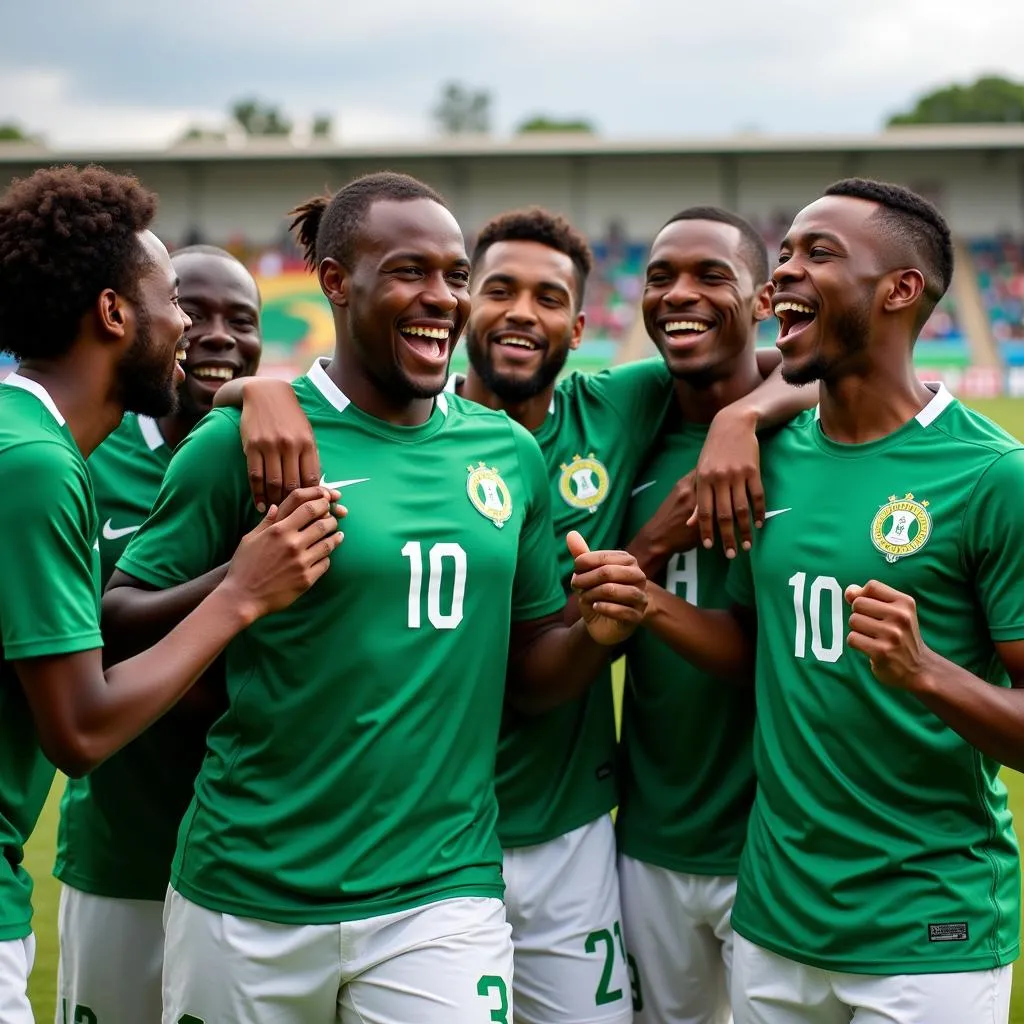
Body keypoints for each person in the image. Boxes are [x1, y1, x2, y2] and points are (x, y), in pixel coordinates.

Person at [230, 204, 810, 1024]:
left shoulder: (615, 411)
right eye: (497, 289)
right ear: (469, 307)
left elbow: (813, 363)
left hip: (563, 826)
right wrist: (255, 386)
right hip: (401, 838)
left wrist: (740, 416)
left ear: (578, 328)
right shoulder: (390, 435)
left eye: (547, 299)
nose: (519, 314)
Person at [101, 172, 649, 1024]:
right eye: (409, 272)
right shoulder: (241, 444)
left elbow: (531, 674)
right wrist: (240, 586)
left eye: (455, 275)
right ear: (333, 282)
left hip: (442, 892)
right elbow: (115, 624)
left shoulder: (506, 453)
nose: (442, 299)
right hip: (248, 887)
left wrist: (597, 635)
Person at [656, 179, 1024, 1024]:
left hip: (927, 934)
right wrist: (647, 604)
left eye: (816, 253)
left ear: (900, 289)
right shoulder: (768, 459)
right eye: (782, 254)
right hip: (775, 925)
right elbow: (759, 648)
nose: (781, 273)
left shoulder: (992, 477)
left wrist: (926, 672)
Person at [0, 165, 341, 1022]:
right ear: (116, 314)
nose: (189, 326)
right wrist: (242, 592)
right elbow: (81, 730)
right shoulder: (36, 466)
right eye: (174, 300)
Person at [53, 245, 265, 1024]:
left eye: (241, 321)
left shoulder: (278, 459)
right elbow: (87, 647)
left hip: (258, 852)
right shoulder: (87, 456)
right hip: (125, 845)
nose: (216, 334)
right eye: (195, 310)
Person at [616, 207, 774, 1024]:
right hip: (650, 840)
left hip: (777, 848)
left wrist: (745, 415)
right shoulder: (624, 431)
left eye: (712, 275)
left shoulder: (816, 435)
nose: (680, 294)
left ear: (764, 298)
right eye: (659, 276)